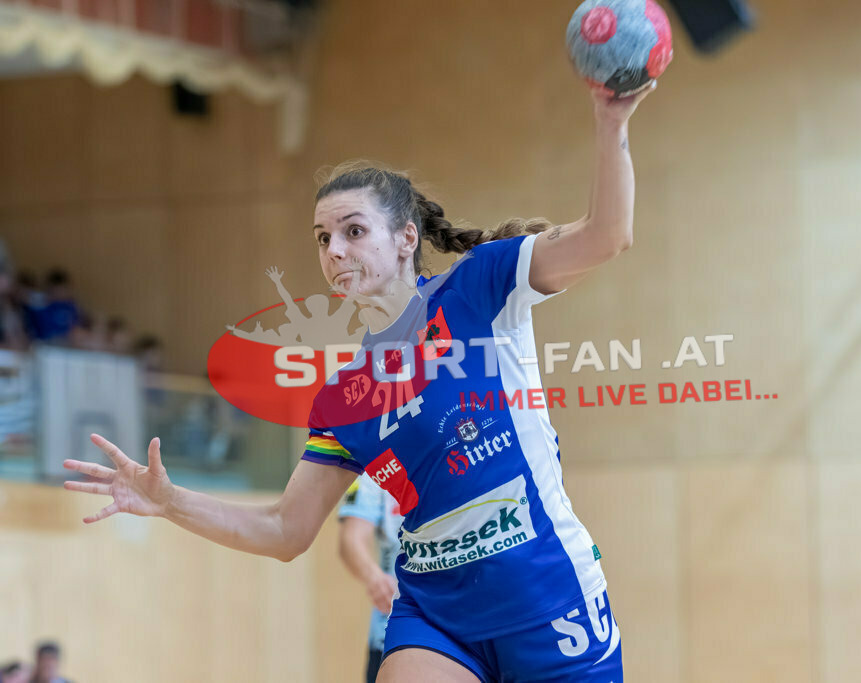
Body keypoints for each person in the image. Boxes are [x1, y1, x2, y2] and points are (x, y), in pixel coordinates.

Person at [63, 81, 653, 681]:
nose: (334, 251)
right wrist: (169, 502)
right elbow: (285, 530)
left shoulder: (480, 286)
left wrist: (611, 123)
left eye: (352, 231)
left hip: (544, 594)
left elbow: (607, 236)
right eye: (323, 239)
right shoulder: (343, 397)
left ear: (405, 239)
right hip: (437, 614)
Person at [336, 473, 404, 683]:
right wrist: (374, 578)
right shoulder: (375, 470)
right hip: (390, 632)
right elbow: (351, 539)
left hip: (464, 628)